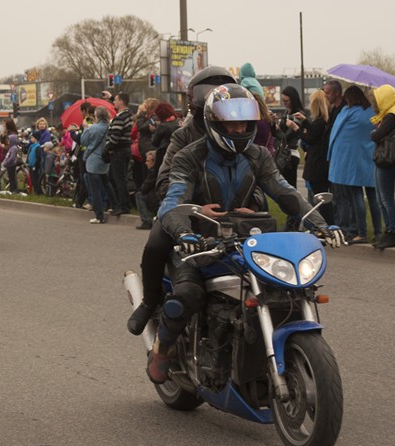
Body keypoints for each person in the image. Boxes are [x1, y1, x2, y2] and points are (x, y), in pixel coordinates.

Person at [146, 84, 345, 384]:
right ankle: (162, 349)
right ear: (215, 122)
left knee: (283, 287)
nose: (239, 129)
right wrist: (185, 230)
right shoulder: (190, 156)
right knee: (187, 294)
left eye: (244, 123)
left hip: (242, 240)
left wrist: (319, 223)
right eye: (231, 123)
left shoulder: (257, 156)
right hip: (197, 243)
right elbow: (172, 200)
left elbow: (285, 192)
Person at [128, 67, 237, 337]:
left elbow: (257, 178)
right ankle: (150, 299)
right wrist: (194, 207)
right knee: (156, 242)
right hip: (186, 213)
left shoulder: (238, 134)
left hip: (229, 215)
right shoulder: (182, 136)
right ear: (195, 100)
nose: (213, 99)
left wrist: (253, 203)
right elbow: (164, 182)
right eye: (208, 92)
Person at [327, 86, 380, 244]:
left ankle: (361, 233)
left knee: (357, 196)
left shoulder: (347, 112)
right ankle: (378, 232)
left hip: (351, 163)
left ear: (349, 98)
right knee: (373, 197)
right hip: (370, 159)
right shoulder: (373, 112)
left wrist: (330, 156)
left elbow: (334, 135)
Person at [369, 84, 395, 250]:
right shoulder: (386, 115)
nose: (375, 102)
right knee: (381, 199)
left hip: (388, 161)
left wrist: (373, 133)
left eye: (376, 99)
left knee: (386, 199)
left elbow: (376, 135)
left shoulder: (391, 115)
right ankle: (387, 231)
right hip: (383, 159)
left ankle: (392, 232)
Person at [294, 89, 333, 224]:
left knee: (317, 200)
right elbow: (314, 132)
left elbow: (310, 138)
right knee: (319, 197)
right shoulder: (324, 121)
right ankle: (323, 223)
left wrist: (296, 129)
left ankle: (322, 224)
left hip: (316, 164)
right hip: (321, 164)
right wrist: (305, 122)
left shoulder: (320, 122)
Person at [81, 105, 116, 224]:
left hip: (93, 161)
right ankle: (115, 206)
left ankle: (99, 215)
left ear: (96, 116)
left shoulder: (93, 128)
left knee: (94, 189)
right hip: (105, 160)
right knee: (107, 183)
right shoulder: (109, 127)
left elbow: (84, 141)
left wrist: (85, 128)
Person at [276, 86, 305, 230]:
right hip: (284, 153)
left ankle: (295, 219)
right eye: (283, 101)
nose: (285, 103)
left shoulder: (298, 115)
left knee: (290, 189)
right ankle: (292, 218)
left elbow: (290, 136)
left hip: (291, 154)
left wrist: (287, 126)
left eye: (287, 101)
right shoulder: (286, 113)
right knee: (286, 188)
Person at [104, 92, 133, 215]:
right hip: (123, 150)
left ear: (121, 102)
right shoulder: (127, 115)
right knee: (117, 178)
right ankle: (120, 204)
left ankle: (123, 205)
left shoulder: (120, 117)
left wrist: (108, 148)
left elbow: (115, 136)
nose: (114, 102)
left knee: (119, 180)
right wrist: (111, 97)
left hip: (118, 151)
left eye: (115, 100)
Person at [135, 150, 159, 230]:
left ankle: (146, 221)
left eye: (148, 161)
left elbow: (144, 188)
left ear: (154, 162)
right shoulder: (157, 171)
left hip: (156, 198)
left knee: (139, 195)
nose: (146, 163)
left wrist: (140, 189)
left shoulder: (153, 172)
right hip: (157, 197)